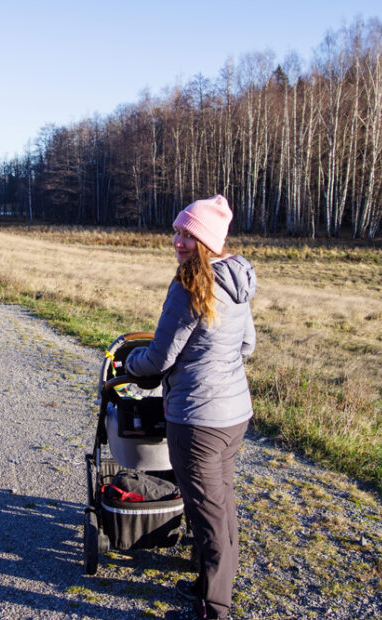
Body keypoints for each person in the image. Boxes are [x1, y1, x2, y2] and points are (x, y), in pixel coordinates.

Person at [125, 195, 256, 619]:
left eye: (188, 234)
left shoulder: (188, 285)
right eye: (178, 231)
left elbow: (159, 358)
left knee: (207, 514)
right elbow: (247, 345)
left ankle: (213, 608)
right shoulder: (236, 279)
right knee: (221, 500)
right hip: (235, 414)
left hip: (197, 420)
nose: (178, 241)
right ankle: (207, 582)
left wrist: (131, 363)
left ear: (207, 241)